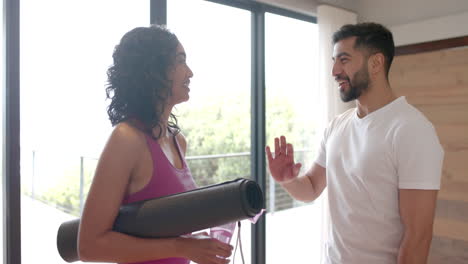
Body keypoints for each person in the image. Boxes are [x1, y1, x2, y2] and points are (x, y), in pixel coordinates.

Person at [266, 22, 444, 264]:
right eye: (334, 60)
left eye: (344, 59)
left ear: (376, 63)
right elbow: (310, 188)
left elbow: (418, 237)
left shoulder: (411, 130)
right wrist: (286, 180)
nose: (334, 70)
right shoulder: (337, 126)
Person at [78, 25, 233, 264]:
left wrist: (197, 243)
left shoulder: (178, 141)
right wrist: (183, 246)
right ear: (154, 70)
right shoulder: (126, 139)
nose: (190, 72)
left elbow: (164, 229)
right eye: (181, 61)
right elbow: (89, 247)